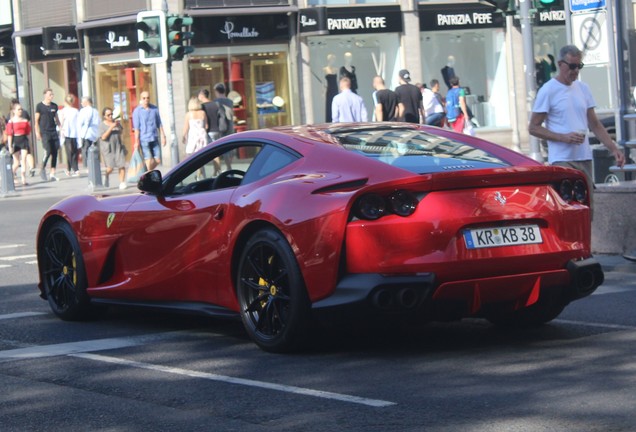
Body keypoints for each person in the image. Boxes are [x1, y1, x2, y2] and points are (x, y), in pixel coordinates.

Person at [529, 44, 625, 212]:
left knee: (587, 208)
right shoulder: (548, 90)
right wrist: (563, 137)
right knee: (568, 208)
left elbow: (594, 123)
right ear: (560, 64)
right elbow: (533, 127)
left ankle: (587, 239)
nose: (575, 71)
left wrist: (613, 148)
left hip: (584, 157)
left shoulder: (583, 88)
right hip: (562, 158)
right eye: (572, 66)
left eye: (578, 66)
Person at [132, 90, 166, 171]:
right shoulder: (137, 111)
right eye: (144, 98)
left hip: (154, 137)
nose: (146, 99)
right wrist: (136, 142)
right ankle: (148, 175)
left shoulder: (154, 109)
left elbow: (159, 123)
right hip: (144, 138)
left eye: (147, 98)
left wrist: (163, 136)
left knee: (157, 160)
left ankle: (146, 172)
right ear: (141, 99)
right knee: (148, 159)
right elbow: (136, 128)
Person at [34, 88, 61, 181]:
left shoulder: (54, 106)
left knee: (55, 151)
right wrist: (37, 132)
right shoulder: (39, 106)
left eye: (52, 94)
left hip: (53, 131)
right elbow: (36, 121)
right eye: (50, 94)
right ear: (45, 95)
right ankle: (42, 168)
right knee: (48, 150)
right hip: (44, 131)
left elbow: (56, 118)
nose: (51, 96)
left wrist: (61, 127)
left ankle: (52, 173)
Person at [98, 107, 127, 190]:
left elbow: (121, 132)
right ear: (104, 116)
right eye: (108, 115)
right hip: (108, 148)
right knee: (110, 167)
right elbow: (103, 137)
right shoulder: (102, 125)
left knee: (121, 165)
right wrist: (111, 127)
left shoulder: (115, 122)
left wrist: (118, 126)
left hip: (118, 147)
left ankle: (122, 182)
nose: (110, 116)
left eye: (111, 114)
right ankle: (106, 176)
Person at [6, 103, 31, 186]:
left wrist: (29, 143)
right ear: (14, 111)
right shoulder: (11, 121)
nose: (20, 111)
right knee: (16, 162)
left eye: (21, 109)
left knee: (23, 159)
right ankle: (9, 175)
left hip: (24, 140)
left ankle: (23, 178)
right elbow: (9, 134)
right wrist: (9, 146)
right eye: (18, 109)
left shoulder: (25, 121)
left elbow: (28, 133)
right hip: (15, 141)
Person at [77, 96, 100, 174]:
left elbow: (80, 123)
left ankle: (87, 167)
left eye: (82, 102)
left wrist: (79, 133)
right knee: (94, 151)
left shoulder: (83, 111)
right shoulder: (95, 111)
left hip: (86, 134)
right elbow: (98, 122)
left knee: (86, 150)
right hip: (94, 134)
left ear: (86, 102)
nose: (81, 103)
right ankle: (95, 166)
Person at [59, 94, 79, 176]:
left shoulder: (62, 111)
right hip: (75, 132)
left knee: (69, 151)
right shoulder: (76, 111)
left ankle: (74, 169)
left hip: (66, 133)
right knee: (74, 151)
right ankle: (70, 169)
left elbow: (61, 122)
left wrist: (60, 130)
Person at [324, 54, 338, 122]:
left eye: (334, 60)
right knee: (329, 106)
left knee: (336, 105)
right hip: (329, 90)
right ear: (328, 60)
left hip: (335, 89)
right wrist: (322, 92)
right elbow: (323, 82)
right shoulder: (325, 69)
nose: (333, 61)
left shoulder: (336, 69)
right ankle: (329, 121)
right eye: (331, 59)